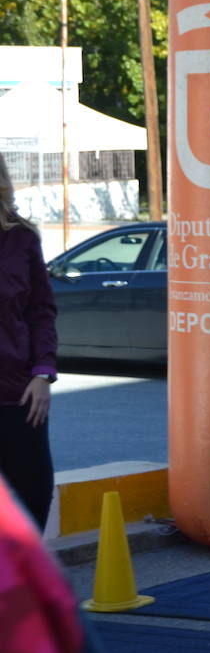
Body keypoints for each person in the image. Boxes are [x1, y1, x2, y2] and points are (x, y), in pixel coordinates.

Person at [0, 153, 58, 533]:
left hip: (18, 392)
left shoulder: (21, 237)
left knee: (35, 491)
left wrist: (43, 373)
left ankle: (21, 584)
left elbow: (41, 311)